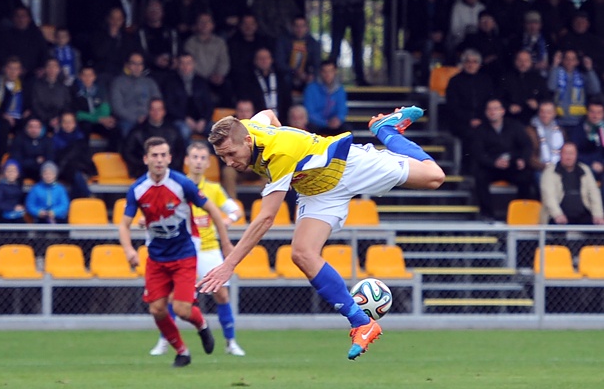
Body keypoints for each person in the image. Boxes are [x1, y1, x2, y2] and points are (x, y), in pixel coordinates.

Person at [199, 106, 444, 360]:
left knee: (434, 177)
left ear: (248, 141)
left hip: (346, 166)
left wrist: (229, 265)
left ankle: (385, 130)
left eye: (231, 154)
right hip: (316, 189)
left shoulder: (278, 152)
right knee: (303, 253)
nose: (229, 162)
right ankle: (362, 323)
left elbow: (266, 218)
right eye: (222, 157)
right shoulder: (248, 128)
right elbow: (269, 113)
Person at [118, 137, 233, 368]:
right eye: (154, 155)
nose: (159, 160)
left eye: (163, 155)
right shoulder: (138, 189)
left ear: (170, 158)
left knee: (181, 309)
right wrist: (129, 249)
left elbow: (211, 209)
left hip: (184, 254)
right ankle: (182, 351)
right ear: (146, 159)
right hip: (157, 257)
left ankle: (202, 326)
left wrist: (226, 242)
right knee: (157, 309)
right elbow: (124, 224)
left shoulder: (182, 184)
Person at [149, 141, 246, 358]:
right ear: (186, 160)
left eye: (203, 158)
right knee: (174, 298)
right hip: (182, 248)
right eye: (195, 157)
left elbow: (236, 210)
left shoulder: (213, 189)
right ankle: (165, 341)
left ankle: (231, 342)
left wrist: (227, 221)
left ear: (208, 162)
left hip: (209, 249)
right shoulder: (174, 185)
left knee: (221, 294)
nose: (199, 162)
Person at [471, 97, 535, 220]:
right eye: (489, 109)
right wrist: (494, 162)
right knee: (480, 177)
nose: (492, 112)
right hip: (491, 167)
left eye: (496, 109)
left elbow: (527, 145)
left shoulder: (515, 126)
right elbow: (478, 153)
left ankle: (520, 214)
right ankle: (487, 214)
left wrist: (523, 159)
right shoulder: (480, 130)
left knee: (526, 177)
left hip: (512, 165)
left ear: (502, 111)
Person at [540, 142, 604, 226]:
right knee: (557, 230)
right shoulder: (549, 172)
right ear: (560, 154)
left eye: (571, 153)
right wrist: (558, 215)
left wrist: (598, 215)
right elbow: (549, 197)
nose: (568, 157)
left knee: (598, 229)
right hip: (557, 217)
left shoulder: (585, 170)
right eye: (566, 153)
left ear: (576, 155)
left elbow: (594, 194)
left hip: (583, 216)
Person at [328, 0, 368, 86]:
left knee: (358, 46)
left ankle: (360, 77)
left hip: (357, 11)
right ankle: (330, 77)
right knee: (335, 47)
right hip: (340, 11)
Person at [304, 60, 348, 137]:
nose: (327, 75)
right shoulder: (311, 88)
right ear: (320, 72)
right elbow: (309, 112)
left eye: (330, 71)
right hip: (317, 124)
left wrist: (338, 119)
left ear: (335, 72)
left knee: (346, 130)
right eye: (325, 71)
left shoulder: (339, 89)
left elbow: (342, 109)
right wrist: (326, 123)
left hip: (334, 125)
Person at [0, 159, 26, 224]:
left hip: (15, 215)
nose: (11, 173)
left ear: (18, 174)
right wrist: (12, 208)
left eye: (14, 171)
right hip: (1, 215)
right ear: (4, 173)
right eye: (9, 171)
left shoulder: (18, 187)